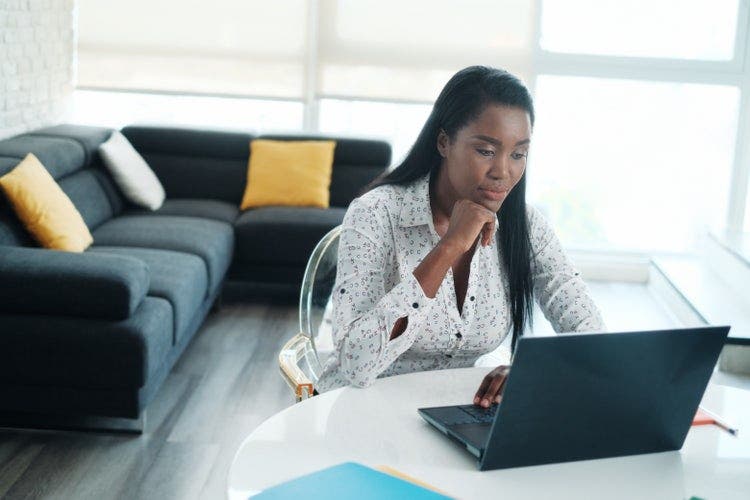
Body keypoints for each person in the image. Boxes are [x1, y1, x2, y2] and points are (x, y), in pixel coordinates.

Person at [316, 65, 606, 407]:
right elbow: (356, 364)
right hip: (358, 410)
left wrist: (534, 371)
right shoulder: (376, 213)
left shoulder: (527, 226)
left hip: (452, 412)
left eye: (518, 154)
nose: (502, 171)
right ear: (444, 142)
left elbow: (591, 340)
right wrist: (449, 247)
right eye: (485, 151)